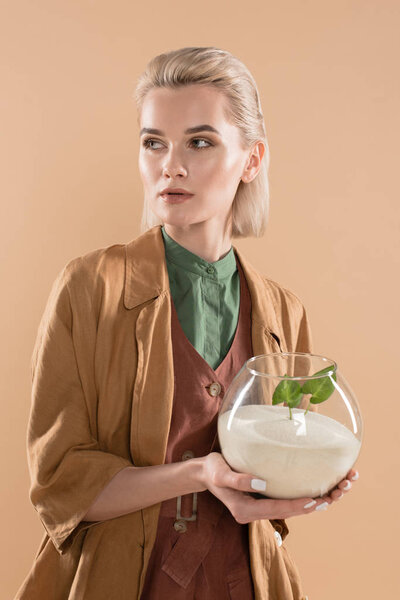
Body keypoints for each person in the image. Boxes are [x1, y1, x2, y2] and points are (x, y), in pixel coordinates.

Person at [14, 46, 359, 600]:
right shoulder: (88, 288)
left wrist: (304, 484)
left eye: (199, 142)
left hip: (245, 581)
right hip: (124, 581)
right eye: (154, 142)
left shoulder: (283, 312)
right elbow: (59, 485)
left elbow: (273, 476)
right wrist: (200, 475)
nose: (170, 165)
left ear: (252, 159)